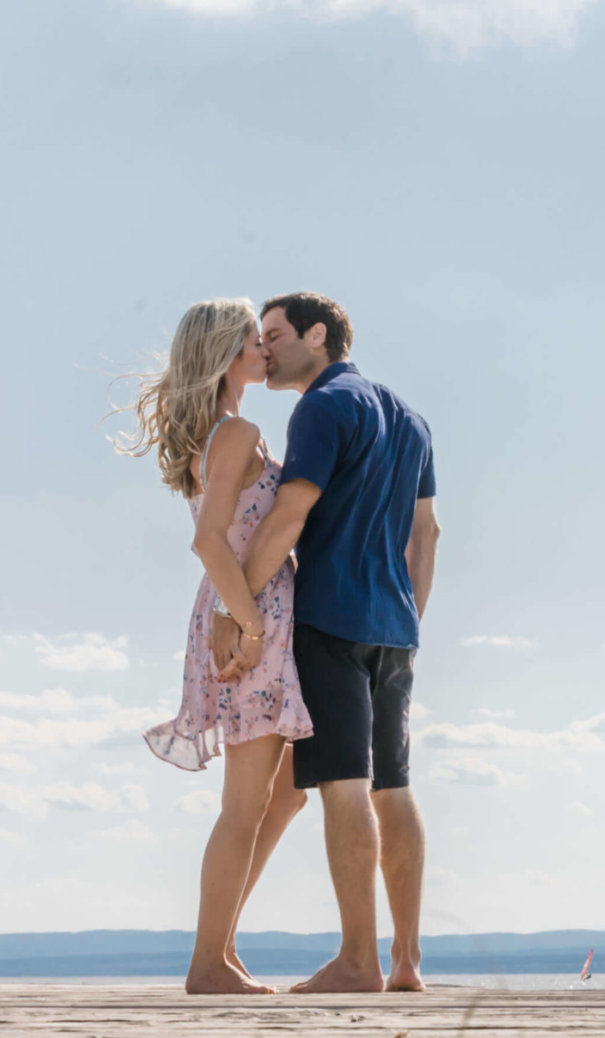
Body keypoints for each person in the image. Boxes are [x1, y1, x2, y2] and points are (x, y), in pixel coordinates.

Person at [213, 292, 439, 994]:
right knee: (392, 790)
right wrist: (408, 618)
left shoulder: (321, 405)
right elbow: (425, 534)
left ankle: (356, 961)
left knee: (346, 788)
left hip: (331, 618)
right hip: (394, 629)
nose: (268, 348)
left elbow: (289, 514)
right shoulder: (410, 418)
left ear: (320, 335)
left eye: (277, 335)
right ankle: (405, 963)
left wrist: (239, 609)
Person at [124, 299, 312, 995]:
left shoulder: (221, 432)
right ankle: (209, 963)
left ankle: (221, 952)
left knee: (286, 793)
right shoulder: (235, 431)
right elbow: (208, 540)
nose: (267, 349)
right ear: (230, 352)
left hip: (248, 607)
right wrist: (249, 623)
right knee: (244, 803)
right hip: (249, 614)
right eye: (256, 342)